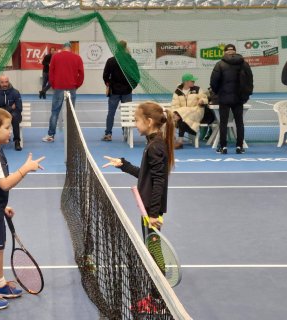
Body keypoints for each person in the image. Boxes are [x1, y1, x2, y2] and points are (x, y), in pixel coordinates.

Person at [102, 101, 175, 313]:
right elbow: (146, 175)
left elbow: (160, 182)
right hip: (147, 209)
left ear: (149, 122)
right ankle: (157, 295)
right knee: (151, 250)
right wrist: (123, 165)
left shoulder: (156, 147)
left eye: (137, 120)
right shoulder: (154, 144)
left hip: (151, 212)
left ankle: (157, 299)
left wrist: (153, 214)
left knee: (153, 252)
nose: (135, 124)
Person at [0, 107, 45, 310]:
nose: (11, 131)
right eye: (7, 127)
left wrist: (2, 205)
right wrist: (25, 169)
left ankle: (0, 284)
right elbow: (4, 183)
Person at [210, 43, 253, 154]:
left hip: (224, 98)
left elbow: (213, 82)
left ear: (225, 52)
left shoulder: (219, 64)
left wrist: (218, 93)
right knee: (239, 123)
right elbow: (250, 81)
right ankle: (239, 146)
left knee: (223, 122)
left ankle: (223, 147)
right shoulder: (244, 64)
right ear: (234, 51)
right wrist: (245, 96)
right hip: (239, 98)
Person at [42, 42, 84, 142]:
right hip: (71, 87)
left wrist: (54, 85)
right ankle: (71, 136)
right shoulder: (77, 58)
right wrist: (76, 85)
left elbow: (51, 73)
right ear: (70, 48)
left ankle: (50, 136)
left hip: (59, 88)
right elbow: (81, 74)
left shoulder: (55, 57)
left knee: (55, 112)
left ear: (62, 48)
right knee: (71, 113)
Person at [102, 40, 140, 142]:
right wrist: (131, 86)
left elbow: (105, 76)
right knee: (126, 114)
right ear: (125, 47)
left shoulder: (111, 61)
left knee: (111, 113)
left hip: (114, 91)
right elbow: (137, 77)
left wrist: (109, 84)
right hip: (127, 91)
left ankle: (108, 134)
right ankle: (126, 134)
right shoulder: (131, 61)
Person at [170, 73, 208, 149]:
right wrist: (175, 113)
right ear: (186, 82)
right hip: (183, 116)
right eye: (192, 81)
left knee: (180, 114)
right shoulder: (177, 92)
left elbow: (205, 99)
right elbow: (174, 106)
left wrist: (202, 101)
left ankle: (178, 140)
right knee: (181, 117)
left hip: (196, 113)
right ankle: (179, 141)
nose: (194, 82)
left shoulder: (198, 89)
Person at [0, 74, 23, 151]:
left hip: (14, 116)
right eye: (2, 82)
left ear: (8, 82)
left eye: (6, 82)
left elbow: (19, 108)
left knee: (14, 116)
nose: (4, 84)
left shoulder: (15, 92)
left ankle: (17, 141)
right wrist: (10, 108)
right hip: (1, 116)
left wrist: (4, 108)